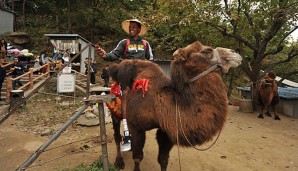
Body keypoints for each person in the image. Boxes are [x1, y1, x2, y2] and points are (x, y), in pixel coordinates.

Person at [96, 19, 154, 151]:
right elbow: (113, 55)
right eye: (130, 27)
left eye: (134, 27)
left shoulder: (146, 44)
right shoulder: (124, 42)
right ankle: (127, 132)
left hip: (142, 75)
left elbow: (151, 60)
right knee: (126, 91)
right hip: (127, 74)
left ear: (139, 30)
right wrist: (104, 55)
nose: (131, 29)